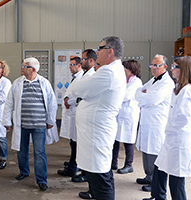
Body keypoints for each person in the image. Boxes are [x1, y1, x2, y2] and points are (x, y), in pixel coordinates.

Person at [71, 36, 126, 200]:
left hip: (97, 134)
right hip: (94, 133)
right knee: (98, 175)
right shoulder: (107, 70)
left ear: (110, 51)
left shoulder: (109, 72)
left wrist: (77, 86)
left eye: (100, 48)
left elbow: (79, 88)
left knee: (101, 178)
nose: (97, 52)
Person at [143, 56, 191, 200]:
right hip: (171, 139)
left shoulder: (188, 90)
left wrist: (168, 129)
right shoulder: (178, 87)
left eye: (175, 67)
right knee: (160, 167)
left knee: (176, 180)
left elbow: (183, 118)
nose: (172, 70)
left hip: (179, 140)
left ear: (184, 70)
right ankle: (158, 196)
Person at [3, 57, 58, 192]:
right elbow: (9, 103)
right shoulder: (17, 83)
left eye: (25, 66)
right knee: (21, 150)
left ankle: (41, 180)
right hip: (22, 124)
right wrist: (7, 121)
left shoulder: (44, 83)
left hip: (39, 124)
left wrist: (50, 120)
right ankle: (24, 171)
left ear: (33, 69)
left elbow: (52, 103)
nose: (22, 68)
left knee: (39, 152)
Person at [135, 54, 175, 192]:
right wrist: (144, 95)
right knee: (146, 151)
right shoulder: (154, 80)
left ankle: (154, 181)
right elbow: (137, 93)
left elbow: (152, 100)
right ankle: (148, 175)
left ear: (165, 67)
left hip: (157, 123)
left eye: (156, 65)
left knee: (154, 153)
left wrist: (144, 96)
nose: (153, 68)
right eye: (152, 65)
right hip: (147, 121)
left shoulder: (167, 83)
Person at [111, 60, 143, 174]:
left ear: (131, 70)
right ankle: (113, 162)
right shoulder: (124, 80)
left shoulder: (136, 82)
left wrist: (115, 95)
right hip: (120, 114)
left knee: (128, 141)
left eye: (125, 68)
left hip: (129, 115)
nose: (123, 70)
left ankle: (129, 165)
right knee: (115, 139)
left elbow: (125, 95)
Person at [58, 57, 84, 177]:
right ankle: (73, 164)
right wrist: (66, 99)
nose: (70, 67)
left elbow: (79, 94)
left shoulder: (82, 78)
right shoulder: (76, 78)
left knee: (76, 143)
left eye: (72, 65)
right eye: (70, 64)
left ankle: (73, 167)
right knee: (73, 142)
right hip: (72, 112)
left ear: (79, 66)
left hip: (76, 112)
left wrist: (69, 101)